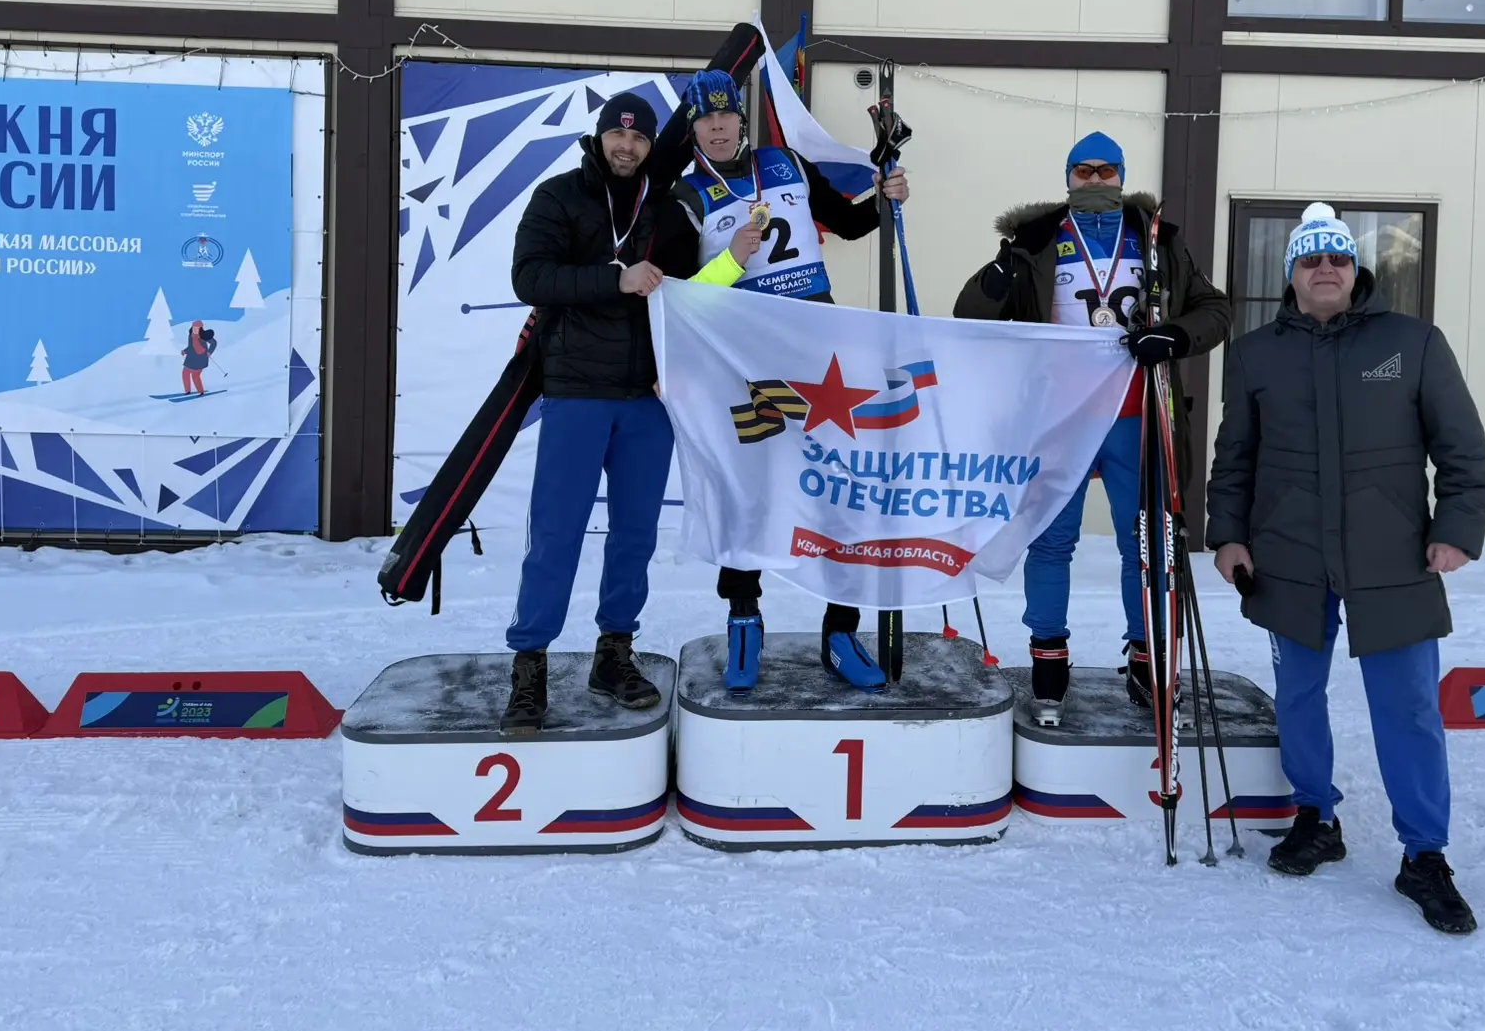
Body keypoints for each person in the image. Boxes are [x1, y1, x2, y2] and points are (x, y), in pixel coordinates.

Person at [1206, 203, 1485, 935]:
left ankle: (1424, 854)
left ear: (1355, 271)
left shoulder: (1412, 343)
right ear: (1291, 277)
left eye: (1336, 258)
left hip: (1390, 555)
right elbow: (1233, 458)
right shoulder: (1255, 355)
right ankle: (1316, 816)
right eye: (1310, 260)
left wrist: (1456, 529)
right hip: (1289, 556)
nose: (1325, 268)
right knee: (1298, 695)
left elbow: (1462, 450)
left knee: (1409, 708)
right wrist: (1228, 536)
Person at [953, 133, 1230, 726]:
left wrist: (1176, 336)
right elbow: (970, 316)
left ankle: (1145, 656)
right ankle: (1049, 661)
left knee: (1146, 545)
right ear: (1069, 177)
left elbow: (1215, 310)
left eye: (1108, 171)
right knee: (1052, 543)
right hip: (1061, 418)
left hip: (1139, 413)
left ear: (1122, 176)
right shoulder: (1036, 240)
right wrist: (1002, 271)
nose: (1097, 179)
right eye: (1085, 170)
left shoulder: (1158, 240)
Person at [501, 91, 755, 734]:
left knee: (635, 536)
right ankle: (530, 664)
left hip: (646, 398)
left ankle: (614, 653)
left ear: (650, 147)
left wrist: (735, 260)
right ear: (599, 138)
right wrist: (614, 277)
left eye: (639, 139)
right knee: (556, 535)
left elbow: (690, 301)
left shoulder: (666, 211)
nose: (627, 146)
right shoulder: (559, 197)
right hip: (576, 391)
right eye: (617, 136)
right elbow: (530, 278)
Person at [671, 70, 908, 694]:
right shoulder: (687, 195)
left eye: (726, 116)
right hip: (744, 359)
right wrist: (731, 259)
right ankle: (744, 619)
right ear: (693, 126)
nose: (717, 127)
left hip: (817, 350)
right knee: (745, 488)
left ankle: (840, 628)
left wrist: (888, 197)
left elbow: (851, 225)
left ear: (741, 119)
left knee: (838, 486)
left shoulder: (788, 165)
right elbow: (681, 299)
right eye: (705, 119)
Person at [181, 320, 217, 396]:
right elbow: (191, 347)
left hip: (200, 359)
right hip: (191, 358)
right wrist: (185, 351)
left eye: (197, 327)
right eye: (194, 327)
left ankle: (200, 391)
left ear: (200, 328)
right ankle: (187, 391)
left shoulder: (204, 336)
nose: (195, 329)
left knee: (195, 375)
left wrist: (210, 352)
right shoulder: (191, 335)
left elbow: (214, 343)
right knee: (185, 373)